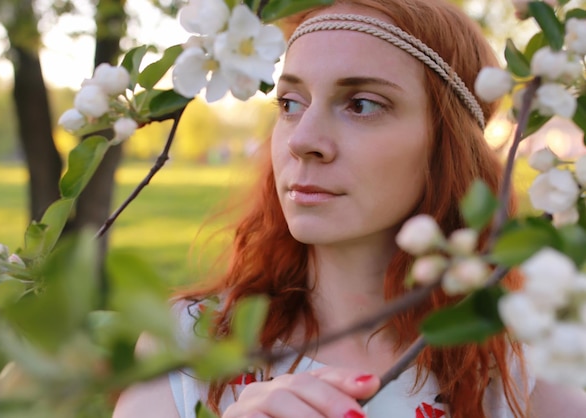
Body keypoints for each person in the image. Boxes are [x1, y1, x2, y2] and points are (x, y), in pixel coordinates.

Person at [113, 0, 586, 417]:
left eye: (361, 104)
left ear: (447, 147)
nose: (302, 141)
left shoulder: (520, 370)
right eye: (291, 103)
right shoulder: (190, 343)